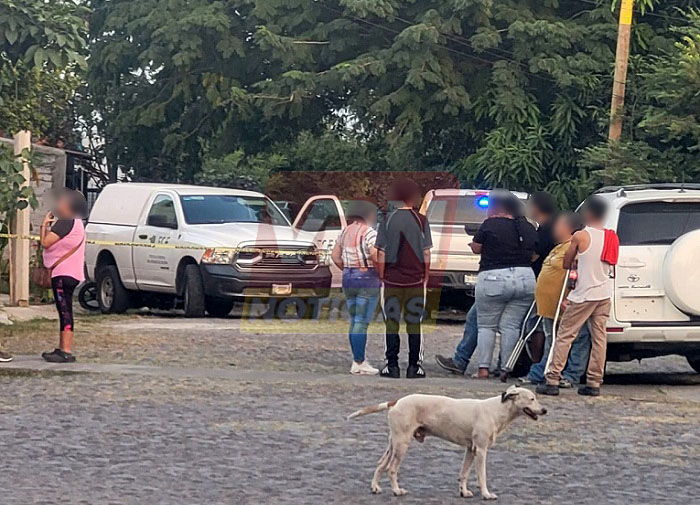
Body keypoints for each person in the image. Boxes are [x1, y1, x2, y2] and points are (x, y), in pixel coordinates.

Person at [537, 195, 615, 397]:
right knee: (599, 338)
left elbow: (567, 261)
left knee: (565, 335)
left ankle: (552, 378)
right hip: (603, 294)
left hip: (583, 294)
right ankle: (594, 382)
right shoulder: (611, 236)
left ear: (588, 213)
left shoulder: (580, 236)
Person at [471, 190, 537, 379]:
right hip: (525, 278)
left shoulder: (490, 224)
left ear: (497, 208)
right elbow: (535, 254)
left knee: (487, 326)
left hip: (493, 278)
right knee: (512, 326)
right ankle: (506, 369)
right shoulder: (528, 227)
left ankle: (483, 368)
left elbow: (477, 248)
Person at [521, 211, 591, 387]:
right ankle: (543, 372)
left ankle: (570, 374)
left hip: (565, 305)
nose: (555, 228)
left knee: (576, 338)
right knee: (552, 341)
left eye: (558, 224)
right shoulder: (558, 246)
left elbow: (576, 274)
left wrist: (571, 296)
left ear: (568, 227)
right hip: (549, 306)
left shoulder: (573, 247)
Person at [376, 178, 433, 379]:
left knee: (391, 323)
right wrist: (425, 275)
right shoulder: (422, 220)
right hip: (415, 280)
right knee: (414, 323)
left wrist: (382, 275)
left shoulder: (386, 220)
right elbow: (426, 253)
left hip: (392, 279)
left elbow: (380, 253)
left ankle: (391, 366)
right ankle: (414, 366)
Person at [331, 200, 381, 375]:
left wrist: (347, 268)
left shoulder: (344, 232)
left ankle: (357, 358)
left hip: (348, 276)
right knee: (361, 321)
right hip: (367, 277)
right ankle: (359, 361)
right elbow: (375, 255)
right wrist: (381, 273)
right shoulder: (369, 233)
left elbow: (335, 256)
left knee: (354, 320)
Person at [40, 188, 88, 363]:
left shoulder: (65, 222)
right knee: (65, 310)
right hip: (72, 273)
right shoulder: (77, 223)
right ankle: (62, 348)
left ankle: (65, 350)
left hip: (63, 273)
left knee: (65, 311)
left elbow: (46, 243)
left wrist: (44, 225)